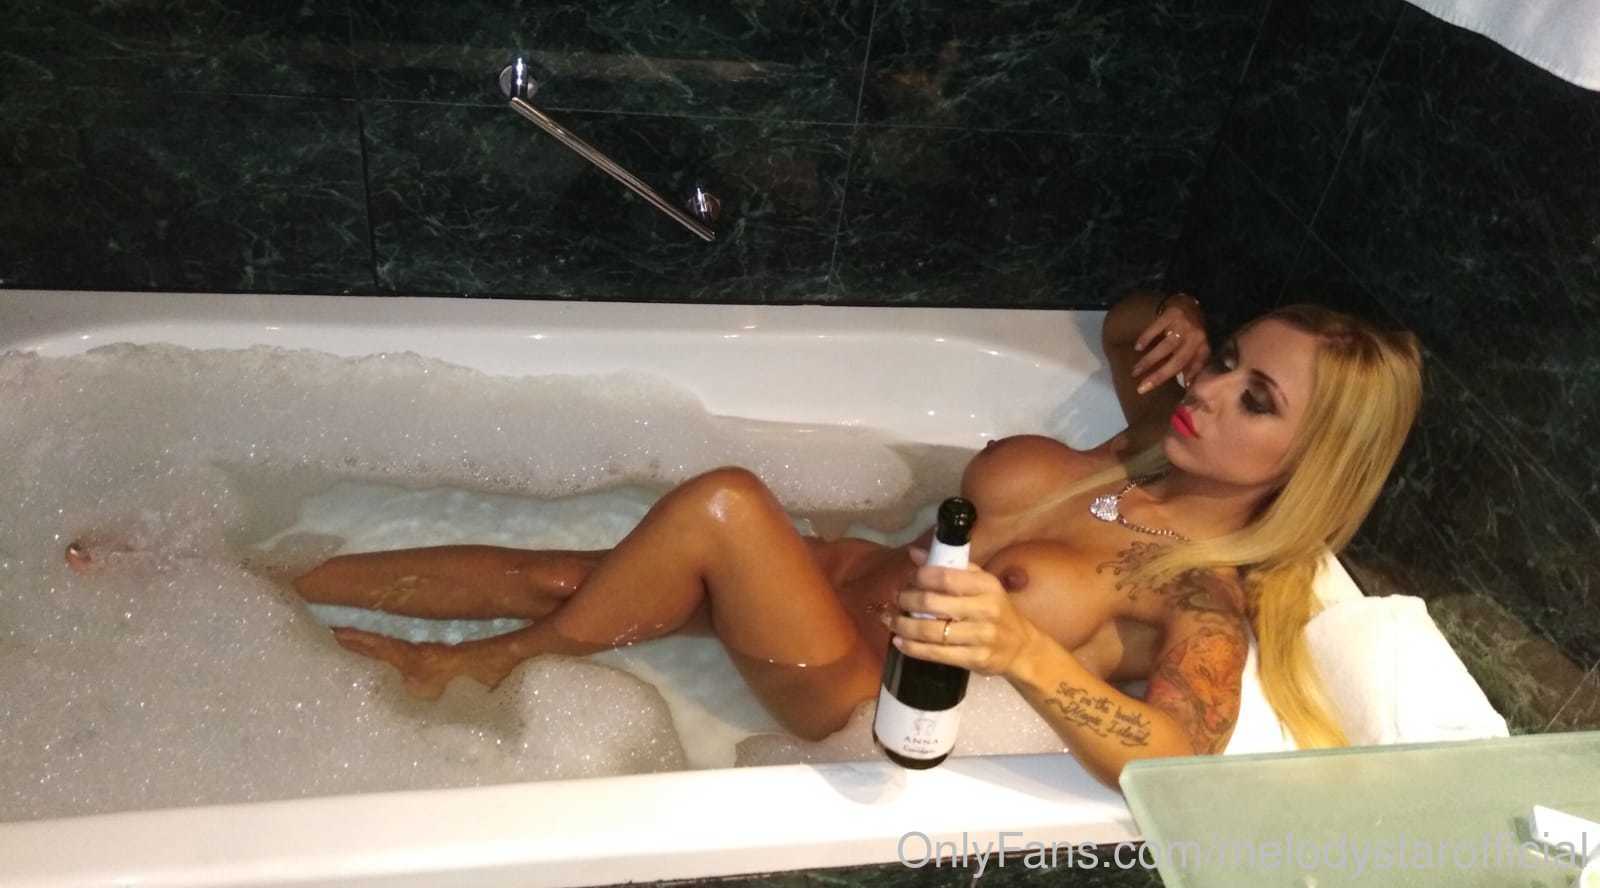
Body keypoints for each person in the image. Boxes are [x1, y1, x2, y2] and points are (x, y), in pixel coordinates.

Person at [65, 290, 1424, 790]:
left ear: (1307, 463)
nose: (1208, 391)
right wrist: (1164, 312)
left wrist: (1021, 647)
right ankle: (237, 576)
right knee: (570, 572)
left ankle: (491, 663)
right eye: (1226, 359)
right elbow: (1131, 323)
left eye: (1255, 398)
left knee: (719, 504)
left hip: (840, 682)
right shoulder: (1150, 443)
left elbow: (1178, 755)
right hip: (833, 576)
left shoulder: (1201, 595)